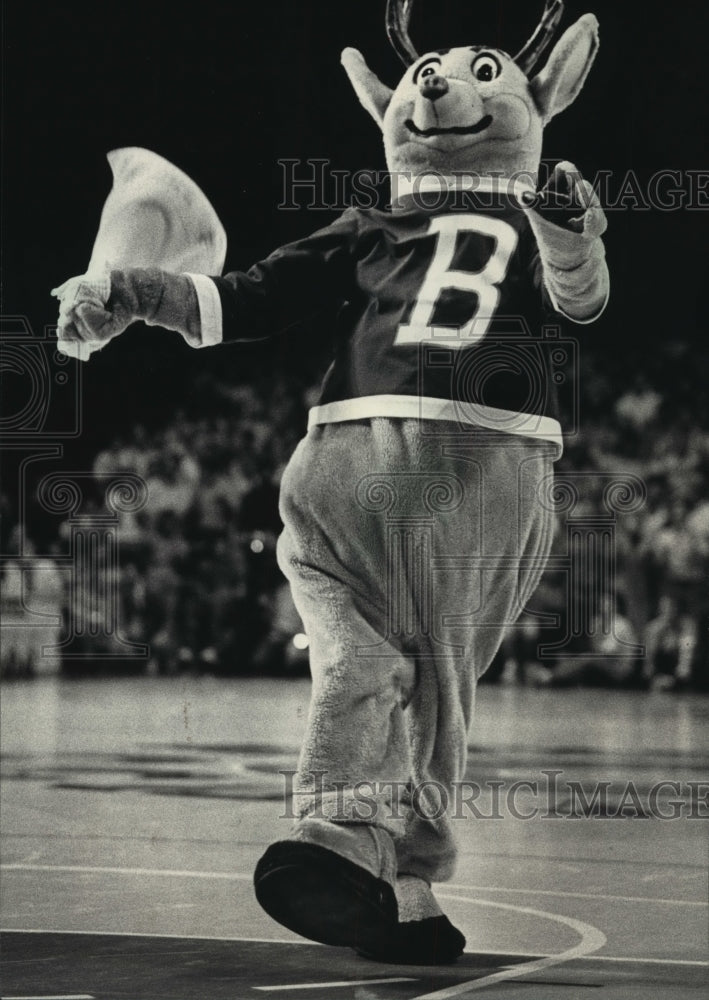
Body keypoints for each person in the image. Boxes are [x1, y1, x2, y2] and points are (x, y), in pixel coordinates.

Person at [52, 1, 608, 965]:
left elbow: (578, 296)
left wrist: (565, 233)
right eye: (424, 76)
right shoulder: (377, 219)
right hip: (365, 464)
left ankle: (393, 880)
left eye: (482, 75)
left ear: (539, 96)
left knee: (400, 676)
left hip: (460, 457)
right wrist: (126, 292)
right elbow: (253, 296)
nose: (439, 89)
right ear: (388, 107)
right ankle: (367, 856)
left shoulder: (513, 210)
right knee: (395, 674)